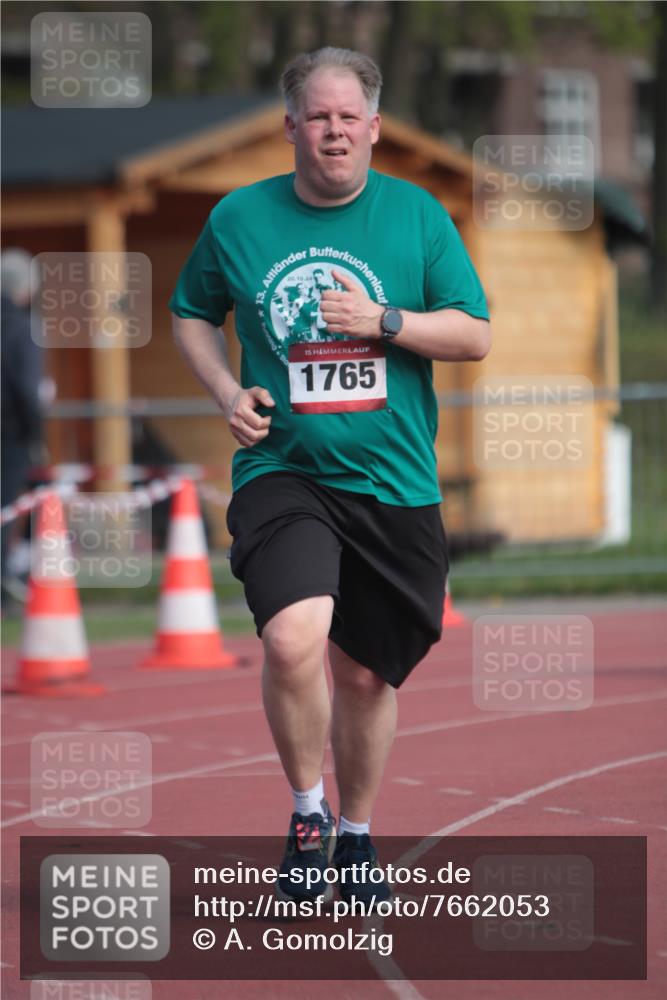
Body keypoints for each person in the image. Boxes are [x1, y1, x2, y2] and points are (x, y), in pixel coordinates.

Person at [169, 47, 490, 907]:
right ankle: (308, 818)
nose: (334, 131)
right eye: (318, 116)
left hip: (393, 482)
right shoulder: (239, 217)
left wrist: (385, 320)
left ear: (375, 128)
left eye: (349, 117)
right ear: (290, 127)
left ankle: (356, 834)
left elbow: (473, 334)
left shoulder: (416, 215)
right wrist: (227, 392)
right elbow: (191, 312)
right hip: (284, 470)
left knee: (364, 677)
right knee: (291, 638)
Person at [1, 249, 45, 610]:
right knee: (6, 510)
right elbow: (28, 389)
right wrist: (35, 436)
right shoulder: (22, 327)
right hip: (9, 435)